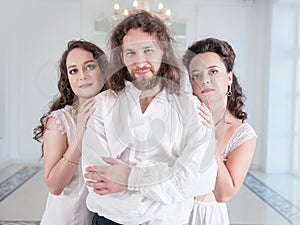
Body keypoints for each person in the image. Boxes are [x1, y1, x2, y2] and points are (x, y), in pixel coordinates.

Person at [81, 11, 217, 225]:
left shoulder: (189, 107)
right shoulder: (103, 104)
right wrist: (164, 175)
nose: (140, 61)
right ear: (121, 57)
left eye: (148, 50)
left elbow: (196, 180)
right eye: (131, 53)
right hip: (110, 220)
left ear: (163, 51)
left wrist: (128, 178)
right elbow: (96, 177)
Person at [182, 37, 257, 225]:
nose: (204, 80)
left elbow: (223, 193)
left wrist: (209, 139)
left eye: (213, 72)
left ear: (229, 78)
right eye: (196, 75)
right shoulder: (182, 118)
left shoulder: (243, 135)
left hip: (205, 217)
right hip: (173, 212)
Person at [33, 40, 108, 225]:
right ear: (68, 78)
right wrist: (80, 134)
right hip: (66, 219)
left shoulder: (113, 115)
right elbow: (54, 186)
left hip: (99, 218)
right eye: (73, 70)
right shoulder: (59, 121)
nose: (82, 75)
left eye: (89, 66)